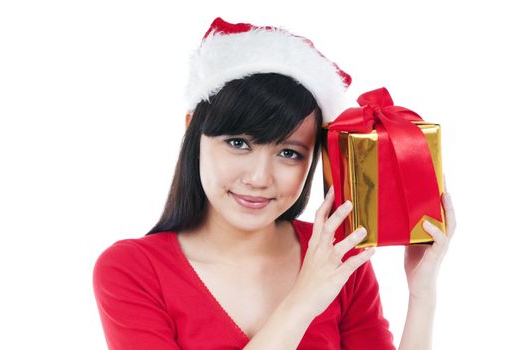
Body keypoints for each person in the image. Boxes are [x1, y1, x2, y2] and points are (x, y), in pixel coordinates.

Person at [92, 17, 456, 350]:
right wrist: (305, 298)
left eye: (289, 153)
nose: (259, 178)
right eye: (238, 144)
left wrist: (422, 293)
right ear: (193, 129)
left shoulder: (337, 256)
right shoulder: (132, 270)